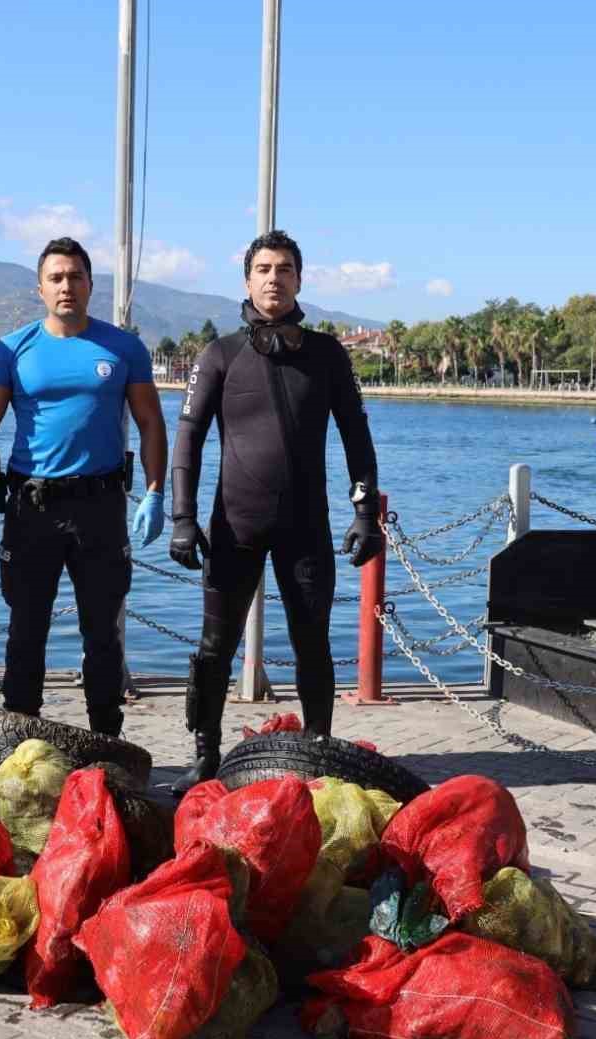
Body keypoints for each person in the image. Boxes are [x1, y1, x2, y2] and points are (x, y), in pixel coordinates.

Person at [166, 229, 384, 794]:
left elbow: (356, 436)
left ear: (299, 280)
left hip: (305, 526)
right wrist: (182, 518)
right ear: (247, 280)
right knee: (215, 649)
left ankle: (318, 751)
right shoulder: (220, 354)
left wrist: (365, 513)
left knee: (313, 644)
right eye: (263, 269)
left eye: (284, 269)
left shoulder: (327, 355)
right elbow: (187, 439)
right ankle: (205, 755)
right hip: (234, 526)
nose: (273, 278)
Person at [0, 237, 167, 735]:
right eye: (56, 278)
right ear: (40, 288)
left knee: (103, 632)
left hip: (101, 506)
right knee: (26, 630)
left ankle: (105, 739)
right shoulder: (12, 349)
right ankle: (20, 738)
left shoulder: (123, 348)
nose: (66, 286)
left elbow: (151, 423)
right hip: (32, 507)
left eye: (75, 276)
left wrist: (156, 492)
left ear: (90, 284)